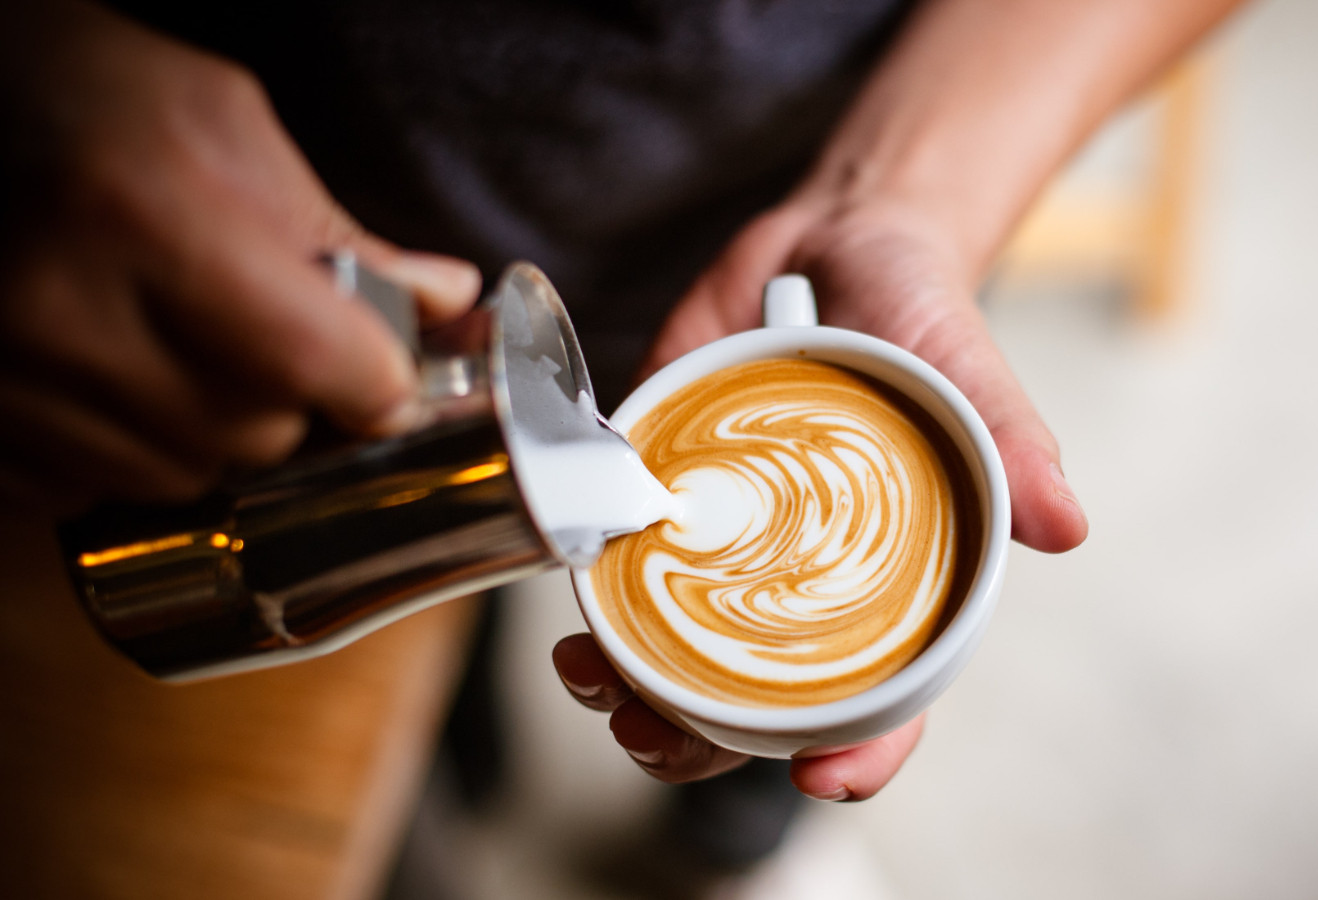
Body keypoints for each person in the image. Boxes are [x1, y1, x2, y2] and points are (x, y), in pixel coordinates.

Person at [0, 0, 1239, 891]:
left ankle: (745, 836)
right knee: (467, 587)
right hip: (299, 301)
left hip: (793, 223)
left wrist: (895, 195)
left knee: (770, 747)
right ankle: (477, 762)